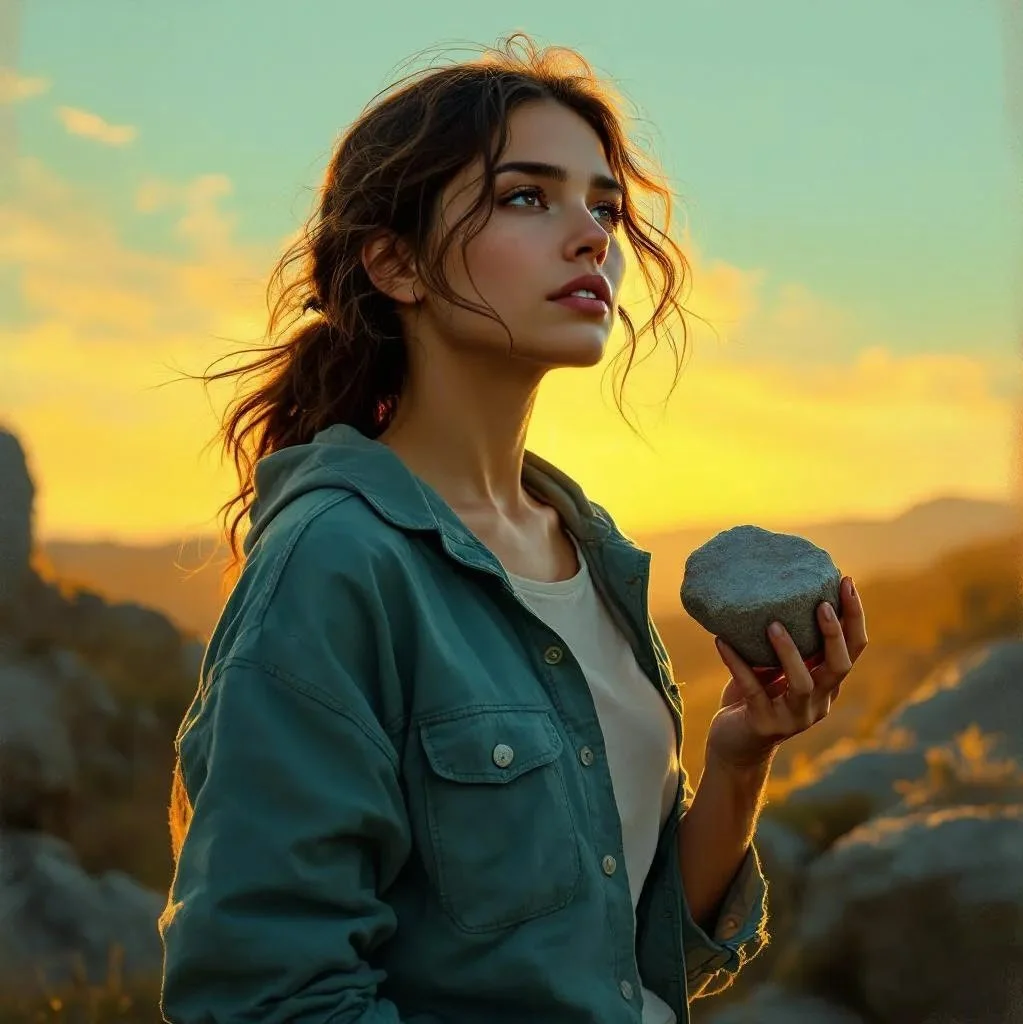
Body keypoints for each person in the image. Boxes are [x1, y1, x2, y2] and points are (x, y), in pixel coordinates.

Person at [158, 33, 867, 1024]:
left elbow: (632, 956)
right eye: (527, 197)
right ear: (395, 264)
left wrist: (741, 755)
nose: (590, 237)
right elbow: (268, 997)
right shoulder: (338, 563)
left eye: (604, 208)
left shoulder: (586, 549)